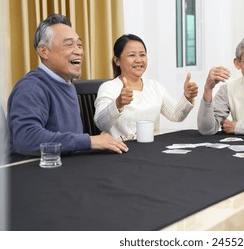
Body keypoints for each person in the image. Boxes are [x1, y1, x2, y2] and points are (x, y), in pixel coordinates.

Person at [7, 14, 129, 157]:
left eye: (79, 45)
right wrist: (89, 141)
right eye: (69, 44)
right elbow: (26, 139)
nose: (79, 51)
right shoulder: (31, 88)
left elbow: (71, 141)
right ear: (43, 51)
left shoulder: (67, 84)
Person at [94, 34, 198, 139]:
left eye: (142, 55)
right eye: (132, 55)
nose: (139, 60)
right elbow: (100, 123)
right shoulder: (109, 88)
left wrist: (187, 97)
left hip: (150, 148)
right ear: (117, 61)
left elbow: (176, 116)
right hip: (120, 149)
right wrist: (118, 103)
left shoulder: (154, 86)